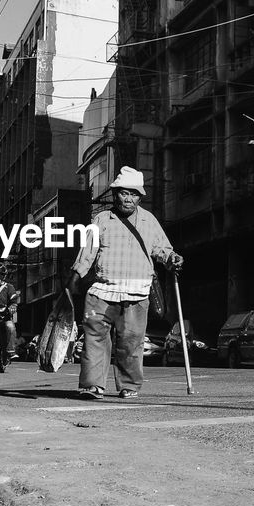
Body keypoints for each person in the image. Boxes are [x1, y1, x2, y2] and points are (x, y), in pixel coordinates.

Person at [68, 167, 183, 399]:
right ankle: (93, 385)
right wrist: (74, 280)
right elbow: (87, 252)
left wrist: (173, 259)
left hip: (136, 294)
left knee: (131, 343)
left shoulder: (149, 220)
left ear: (140, 197)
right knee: (94, 340)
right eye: (123, 193)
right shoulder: (100, 219)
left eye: (133, 194)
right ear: (114, 194)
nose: (128, 198)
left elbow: (162, 249)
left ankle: (129, 385)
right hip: (101, 292)